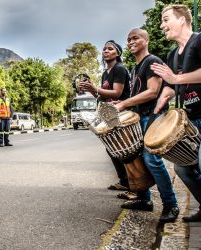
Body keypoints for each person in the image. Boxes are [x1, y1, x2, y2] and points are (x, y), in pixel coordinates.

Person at [114, 28, 179, 223]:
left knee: (152, 160)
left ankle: (171, 204)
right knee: (138, 159)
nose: (131, 41)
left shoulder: (152, 61)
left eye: (135, 38)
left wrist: (124, 103)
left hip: (154, 116)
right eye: (128, 39)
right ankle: (144, 199)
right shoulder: (135, 68)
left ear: (146, 40)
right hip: (140, 117)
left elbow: (152, 92)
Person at [151, 4, 201, 222]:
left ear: (182, 20)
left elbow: (176, 78)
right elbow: (172, 84)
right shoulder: (172, 54)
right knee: (183, 169)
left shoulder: (199, 40)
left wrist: (176, 79)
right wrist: (164, 97)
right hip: (188, 121)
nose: (162, 25)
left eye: (166, 19)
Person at [80, 40, 136, 199]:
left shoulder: (119, 69)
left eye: (110, 49)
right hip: (109, 114)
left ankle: (134, 185)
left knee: (123, 150)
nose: (105, 51)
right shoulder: (106, 72)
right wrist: (91, 90)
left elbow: (117, 93)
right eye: (104, 48)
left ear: (118, 53)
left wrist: (95, 89)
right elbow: (102, 95)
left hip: (122, 113)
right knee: (112, 148)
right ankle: (124, 181)